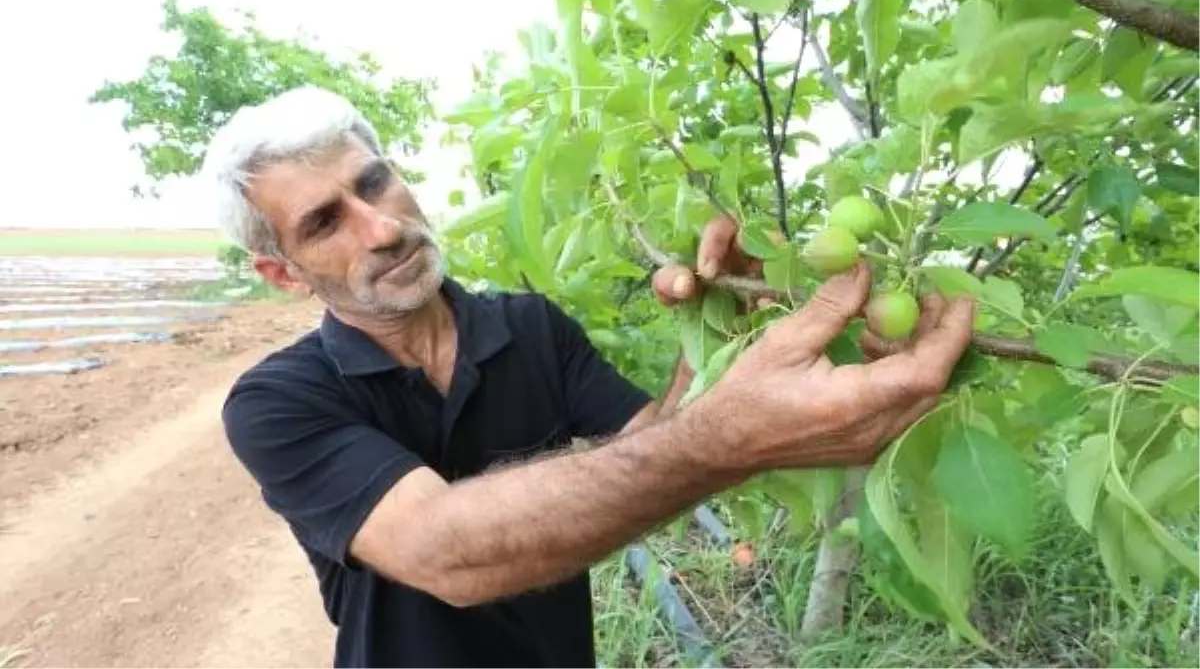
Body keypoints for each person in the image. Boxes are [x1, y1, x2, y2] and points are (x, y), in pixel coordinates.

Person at [202, 85, 975, 669]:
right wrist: (735, 435)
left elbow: (658, 446)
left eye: (373, 184)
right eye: (324, 222)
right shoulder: (280, 402)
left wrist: (719, 334)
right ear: (282, 272)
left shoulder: (531, 328)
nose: (381, 227)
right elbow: (446, 553)